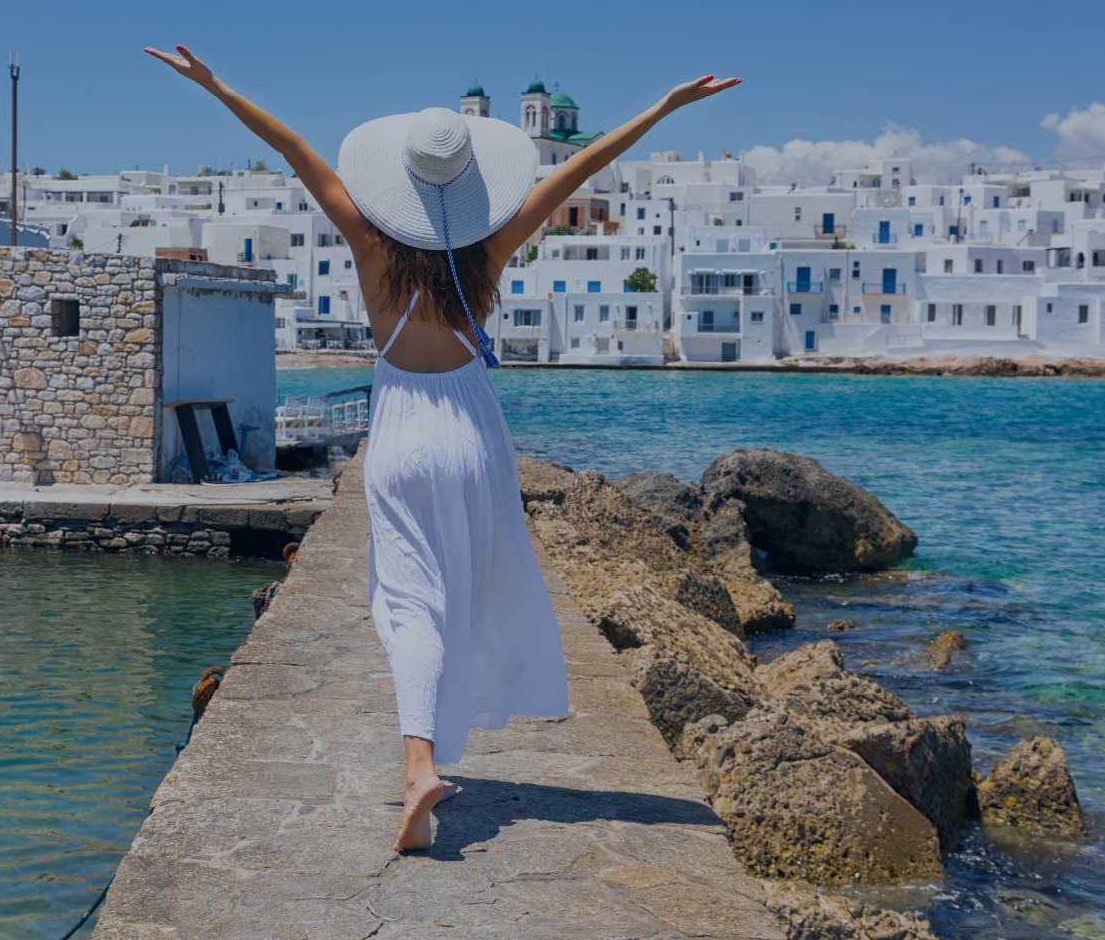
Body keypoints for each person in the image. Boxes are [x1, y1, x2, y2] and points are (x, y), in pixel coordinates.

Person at [147, 44, 741, 851]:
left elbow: (293, 149)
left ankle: (419, 764)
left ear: (396, 186)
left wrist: (215, 86)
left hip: (401, 430)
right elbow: (583, 169)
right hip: (471, 429)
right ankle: (430, 753)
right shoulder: (489, 252)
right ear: (466, 188)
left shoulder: (364, 243)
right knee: (465, 586)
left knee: (407, 600)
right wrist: (663, 109)